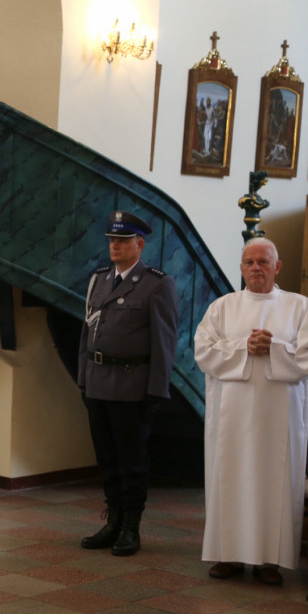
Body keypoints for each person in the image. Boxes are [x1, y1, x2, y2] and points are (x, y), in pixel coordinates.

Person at [195, 238, 308, 586]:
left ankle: (269, 561)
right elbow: (203, 352)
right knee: (229, 476)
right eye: (249, 262)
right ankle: (227, 556)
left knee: (274, 482)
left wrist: (274, 347)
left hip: (280, 417)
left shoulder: (301, 307)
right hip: (230, 415)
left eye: (263, 261)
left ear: (277, 267)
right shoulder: (222, 307)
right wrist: (244, 346)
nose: (255, 267)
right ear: (242, 267)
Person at [77, 211, 178, 557]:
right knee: (106, 457)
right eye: (111, 240)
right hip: (97, 382)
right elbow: (86, 333)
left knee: (131, 461)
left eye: (121, 241)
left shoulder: (156, 283)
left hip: (132, 386)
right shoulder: (99, 279)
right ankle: (113, 521)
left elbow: (165, 341)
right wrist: (82, 378)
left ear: (139, 244)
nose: (114, 246)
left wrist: (156, 390)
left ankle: (131, 528)